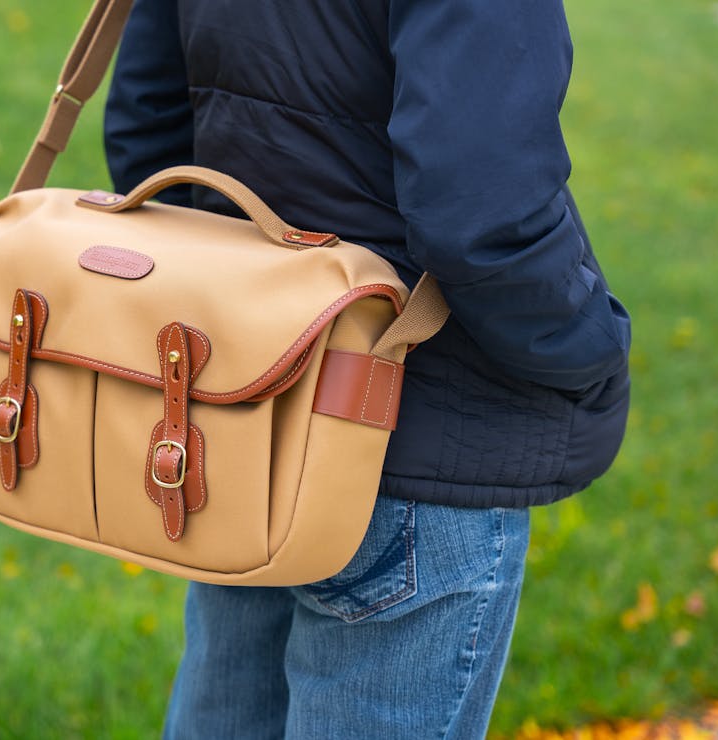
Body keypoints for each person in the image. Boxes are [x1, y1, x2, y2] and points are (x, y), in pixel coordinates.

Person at [103, 1, 632, 737]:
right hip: (418, 432)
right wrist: (591, 342)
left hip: (246, 417)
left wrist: (235, 314)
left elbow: (148, 130)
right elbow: (481, 214)